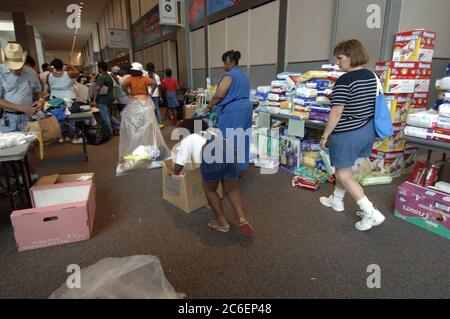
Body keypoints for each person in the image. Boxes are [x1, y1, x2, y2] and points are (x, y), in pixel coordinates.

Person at [319, 39, 385, 231]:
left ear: (351, 56)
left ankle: (371, 213)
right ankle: (337, 200)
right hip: (367, 131)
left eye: (340, 58)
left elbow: (336, 111)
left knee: (343, 174)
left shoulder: (345, 79)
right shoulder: (373, 76)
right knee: (347, 169)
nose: (338, 63)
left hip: (347, 133)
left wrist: (325, 136)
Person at [167, 119, 253, 236]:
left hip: (210, 155)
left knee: (210, 190)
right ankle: (242, 218)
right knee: (232, 189)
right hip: (229, 150)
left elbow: (180, 163)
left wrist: (172, 172)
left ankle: (222, 223)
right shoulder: (212, 133)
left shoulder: (188, 139)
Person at [204, 50, 253, 172]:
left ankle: (230, 171)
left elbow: (220, 94)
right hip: (246, 110)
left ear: (231, 62)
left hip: (234, 111)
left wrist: (209, 105)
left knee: (230, 141)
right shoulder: (244, 76)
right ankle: (241, 167)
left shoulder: (229, 75)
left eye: (225, 62)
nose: (223, 66)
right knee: (243, 139)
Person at [0, 43, 44, 133]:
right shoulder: (1, 73)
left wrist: (41, 100)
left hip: (28, 118)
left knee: (31, 144)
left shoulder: (31, 72)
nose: (14, 70)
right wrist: (22, 108)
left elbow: (39, 90)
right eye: (11, 67)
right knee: (10, 145)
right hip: (9, 118)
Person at [93, 61, 119, 137]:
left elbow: (97, 89)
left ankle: (109, 133)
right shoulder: (109, 76)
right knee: (108, 116)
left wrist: (94, 100)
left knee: (105, 117)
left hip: (103, 99)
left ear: (100, 68)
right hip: (109, 99)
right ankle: (118, 126)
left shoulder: (102, 77)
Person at [146, 63, 164, 128]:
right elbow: (159, 87)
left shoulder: (145, 76)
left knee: (150, 109)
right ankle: (160, 123)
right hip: (155, 94)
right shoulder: (156, 76)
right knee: (157, 108)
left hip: (148, 94)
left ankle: (152, 123)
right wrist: (161, 97)